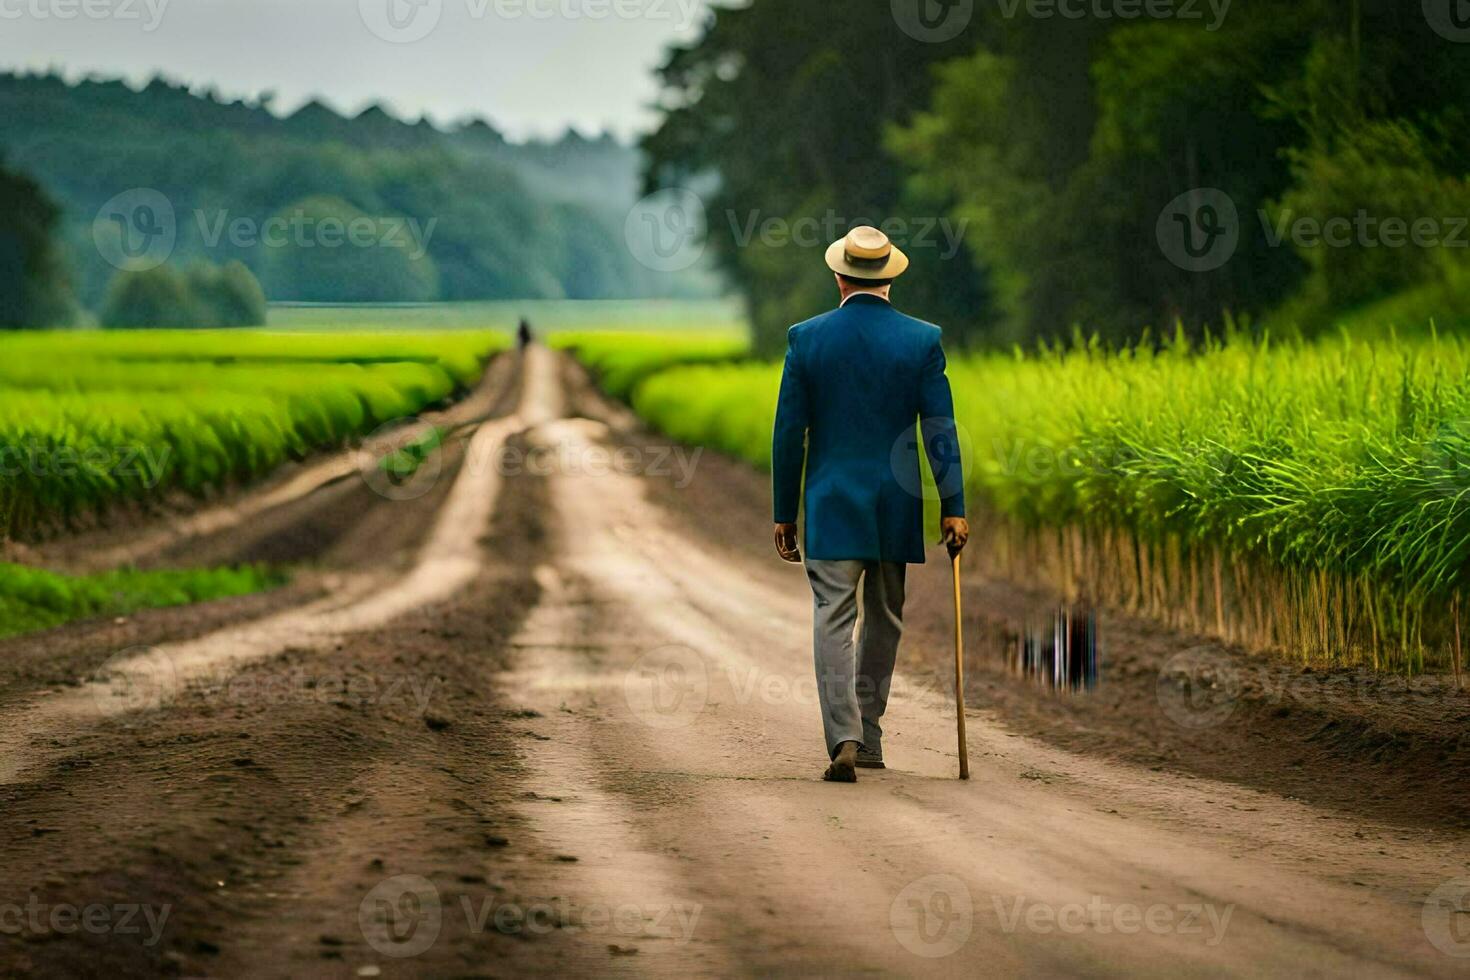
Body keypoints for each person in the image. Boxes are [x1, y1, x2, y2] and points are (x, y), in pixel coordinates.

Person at [771, 225, 969, 783]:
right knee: (884, 619)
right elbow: (940, 430)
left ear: (839, 276)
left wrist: (784, 512)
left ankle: (845, 737)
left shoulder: (806, 338)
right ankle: (873, 735)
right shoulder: (921, 340)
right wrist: (952, 505)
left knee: (833, 619)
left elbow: (789, 433)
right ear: (889, 278)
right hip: (894, 506)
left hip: (832, 504)